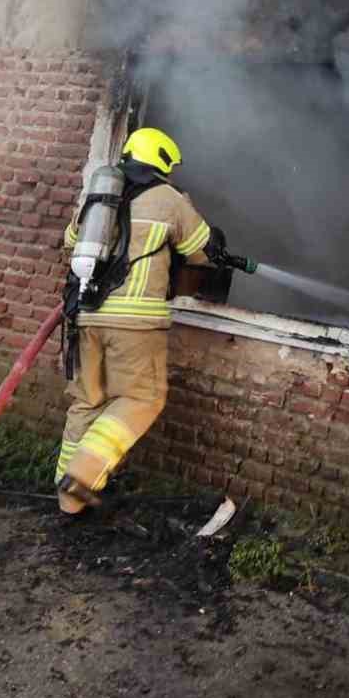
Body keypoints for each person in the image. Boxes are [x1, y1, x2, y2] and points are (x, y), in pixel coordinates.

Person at [55, 127, 213, 516]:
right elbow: (201, 252)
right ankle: (84, 473)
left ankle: (68, 501)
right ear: (161, 161)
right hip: (135, 323)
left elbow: (70, 241)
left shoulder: (100, 196)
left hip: (86, 318)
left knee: (87, 401)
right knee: (142, 398)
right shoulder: (169, 199)